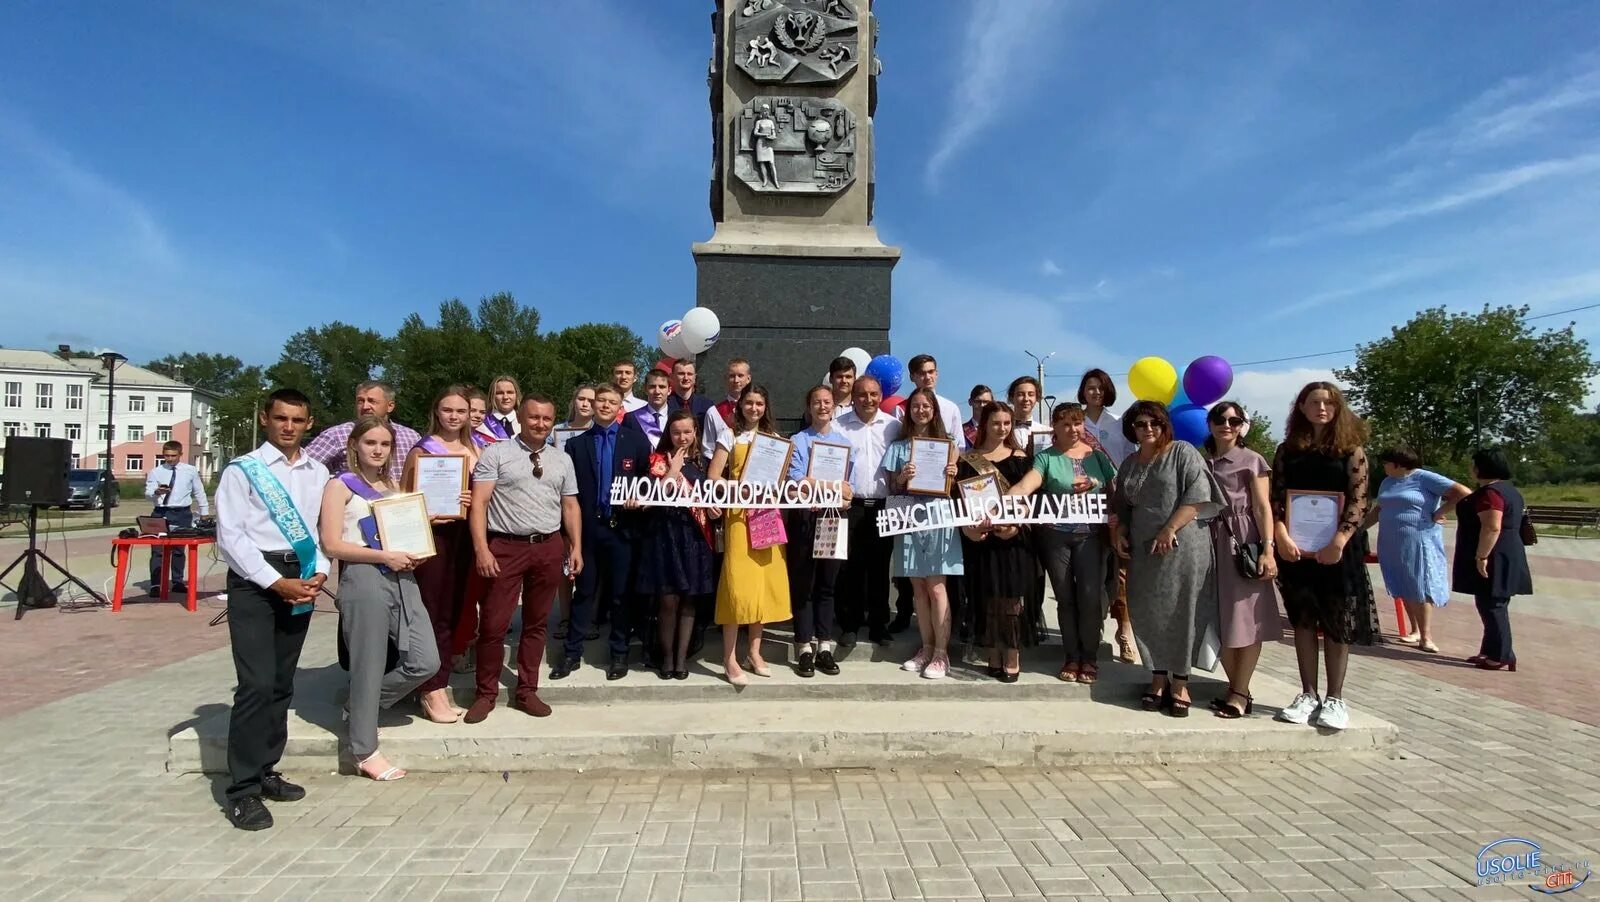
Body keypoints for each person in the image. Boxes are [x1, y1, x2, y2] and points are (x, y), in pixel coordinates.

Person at [214, 388, 330, 831]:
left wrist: (318, 572)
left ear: (308, 423)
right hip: (257, 583)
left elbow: (320, 531)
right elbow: (232, 537)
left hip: (299, 580)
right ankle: (241, 790)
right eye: (281, 418)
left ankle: (265, 769)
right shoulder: (244, 471)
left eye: (297, 420)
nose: (288, 427)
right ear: (266, 418)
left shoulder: (317, 472)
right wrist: (274, 582)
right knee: (256, 684)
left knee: (282, 682)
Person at [317, 417, 432, 782]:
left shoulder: (393, 487)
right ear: (354, 445)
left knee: (425, 659)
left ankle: (361, 704)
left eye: (384, 444)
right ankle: (364, 750)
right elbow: (332, 544)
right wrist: (384, 557)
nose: (377, 450)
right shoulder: (339, 487)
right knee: (368, 664)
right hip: (364, 576)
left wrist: (420, 550)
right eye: (370, 443)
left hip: (402, 575)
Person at [467, 393, 582, 722]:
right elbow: (479, 504)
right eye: (533, 417)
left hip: (548, 546)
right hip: (505, 547)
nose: (541, 424)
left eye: (547, 418)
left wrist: (576, 547)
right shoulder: (497, 453)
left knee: (536, 623)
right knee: (493, 624)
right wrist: (481, 548)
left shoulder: (562, 459)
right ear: (521, 416)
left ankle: (527, 690)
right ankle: (486, 693)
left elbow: (570, 506)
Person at [1270, 382, 1378, 731]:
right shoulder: (1287, 450)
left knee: (1335, 622)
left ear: (1338, 408)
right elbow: (1277, 497)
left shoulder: (1352, 450)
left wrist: (1341, 538)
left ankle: (1335, 698)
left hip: (1338, 550)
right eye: (1314, 402)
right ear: (1301, 407)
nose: (1321, 408)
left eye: (1328, 403)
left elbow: (1360, 501)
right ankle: (1308, 694)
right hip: (1297, 550)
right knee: (1302, 620)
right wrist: (1281, 534)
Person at [1112, 401, 1226, 718]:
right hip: (1145, 553)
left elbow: (1199, 495)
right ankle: (1157, 677)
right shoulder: (1129, 463)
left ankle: (1181, 682)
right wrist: (1121, 531)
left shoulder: (1182, 452)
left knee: (1183, 611)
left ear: (1165, 425)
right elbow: (1123, 506)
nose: (1148, 428)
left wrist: (1170, 528)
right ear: (1131, 428)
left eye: (1155, 423)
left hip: (1183, 546)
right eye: (1140, 423)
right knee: (1149, 612)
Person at [1009, 403, 1117, 684]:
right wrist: (1008, 499)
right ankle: (1071, 656)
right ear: (1054, 427)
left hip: (1092, 537)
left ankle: (1089, 657)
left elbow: (1117, 490)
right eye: (1065, 423)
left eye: (1077, 422)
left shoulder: (1099, 458)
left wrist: (1098, 485)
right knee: (1065, 598)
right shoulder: (1045, 458)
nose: (1072, 429)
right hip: (1055, 537)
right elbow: (1027, 484)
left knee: (1090, 598)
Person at [556, 383, 653, 681]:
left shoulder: (637, 442)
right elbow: (568, 494)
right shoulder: (576, 444)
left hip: (622, 528)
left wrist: (641, 498)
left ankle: (619, 654)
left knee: (620, 595)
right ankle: (572, 653)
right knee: (584, 591)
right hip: (589, 529)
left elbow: (647, 482)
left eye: (612, 401)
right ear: (593, 405)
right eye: (601, 401)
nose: (606, 406)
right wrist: (568, 536)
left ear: (619, 406)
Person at [401, 386, 478, 724]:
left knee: (454, 610)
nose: (454, 416)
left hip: (465, 536)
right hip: (433, 537)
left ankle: (439, 682)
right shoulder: (422, 450)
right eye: (448, 410)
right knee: (432, 612)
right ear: (437, 411)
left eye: (460, 411)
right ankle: (430, 689)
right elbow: (404, 497)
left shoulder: (473, 448)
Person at [709, 384, 791, 685]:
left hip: (766, 515)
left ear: (765, 407)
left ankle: (754, 652)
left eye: (759, 403)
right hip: (739, 516)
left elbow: (782, 481)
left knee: (762, 583)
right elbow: (714, 477)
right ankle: (729, 657)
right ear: (740, 405)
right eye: (749, 403)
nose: (754, 408)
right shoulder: (728, 436)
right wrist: (737, 488)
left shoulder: (775, 440)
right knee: (737, 585)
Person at [1202, 402, 1279, 719]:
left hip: (1242, 542)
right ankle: (1237, 689)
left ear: (1242, 425)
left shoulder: (1252, 460)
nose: (1227, 425)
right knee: (1219, 618)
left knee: (1244, 618)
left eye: (1234, 420)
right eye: (1220, 419)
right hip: (1207, 543)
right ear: (1210, 424)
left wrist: (1268, 549)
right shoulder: (1202, 461)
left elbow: (1263, 507)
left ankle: (1239, 692)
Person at [881, 387, 963, 678]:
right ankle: (926, 648)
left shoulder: (949, 444)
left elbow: (958, 489)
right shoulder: (898, 446)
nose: (920, 410)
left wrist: (953, 475)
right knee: (918, 589)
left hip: (939, 515)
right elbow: (891, 488)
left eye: (926, 406)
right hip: (908, 515)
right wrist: (902, 477)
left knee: (937, 587)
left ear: (934, 410)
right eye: (915, 406)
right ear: (908, 411)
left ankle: (942, 654)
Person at [636, 410, 718, 679]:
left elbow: (708, 496)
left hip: (693, 536)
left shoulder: (703, 464)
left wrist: (713, 508)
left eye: (687, 431)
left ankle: (682, 658)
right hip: (665, 534)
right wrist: (673, 470)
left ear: (695, 432)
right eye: (676, 432)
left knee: (689, 599)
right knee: (668, 600)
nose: (682, 437)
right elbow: (651, 497)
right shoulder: (657, 461)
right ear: (668, 434)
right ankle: (667, 656)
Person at [1365, 447, 1471, 653]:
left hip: (1418, 537)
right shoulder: (1388, 482)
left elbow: (1462, 492)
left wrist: (1438, 512)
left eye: (1386, 462)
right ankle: (1414, 630)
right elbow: (1379, 509)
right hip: (1391, 540)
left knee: (1418, 582)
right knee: (1401, 580)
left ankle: (1426, 635)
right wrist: (1359, 529)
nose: (1383, 466)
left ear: (1398, 463)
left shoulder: (1424, 478)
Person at [956, 401, 1033, 681]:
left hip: (1012, 538)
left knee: (1011, 598)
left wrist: (1015, 524)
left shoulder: (1020, 457)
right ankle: (993, 652)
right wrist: (969, 529)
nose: (1002, 429)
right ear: (984, 424)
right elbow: (960, 502)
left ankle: (1012, 652)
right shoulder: (968, 459)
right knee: (987, 596)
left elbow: (1029, 500)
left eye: (1007, 423)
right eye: (996, 423)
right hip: (981, 539)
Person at [786, 385, 854, 677]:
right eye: (817, 402)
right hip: (805, 518)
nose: (822, 406)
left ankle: (824, 646)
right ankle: (803, 646)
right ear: (808, 406)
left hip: (833, 519)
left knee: (827, 585)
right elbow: (798, 479)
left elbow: (849, 487)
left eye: (827, 402)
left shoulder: (843, 443)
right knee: (804, 585)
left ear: (833, 406)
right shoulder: (797, 440)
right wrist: (832, 486)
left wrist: (841, 491)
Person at [1453, 448, 1533, 672]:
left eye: (1474, 464)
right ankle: (1490, 650)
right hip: (1507, 552)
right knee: (1489, 603)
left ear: (1481, 467)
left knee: (1493, 605)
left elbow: (1492, 526)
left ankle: (1501, 655)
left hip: (1494, 555)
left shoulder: (1491, 493)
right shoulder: (1510, 490)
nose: (1471, 469)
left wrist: (1481, 556)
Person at [835, 375, 900, 647]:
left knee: (880, 567)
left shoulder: (894, 426)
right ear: (853, 396)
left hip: (884, 505)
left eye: (874, 394)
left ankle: (878, 624)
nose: (868, 400)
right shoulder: (839, 427)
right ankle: (849, 625)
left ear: (881, 395)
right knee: (850, 566)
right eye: (862, 394)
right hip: (852, 506)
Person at [1079, 369, 1139, 665]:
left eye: (1100, 388)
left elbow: (1129, 462)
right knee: (1093, 571)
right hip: (1084, 504)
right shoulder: (1074, 423)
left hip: (1116, 502)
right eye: (1090, 388)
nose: (1095, 393)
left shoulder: (1119, 425)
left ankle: (1125, 633)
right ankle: (1094, 627)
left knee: (1122, 573)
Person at [303, 380, 421, 481]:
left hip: (400, 504)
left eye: (372, 401)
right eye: (360, 401)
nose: (365, 406)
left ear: (390, 406)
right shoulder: (336, 435)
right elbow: (302, 468)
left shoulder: (411, 437)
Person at [1007, 375, 1050, 641]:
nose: (1025, 399)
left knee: (1036, 566)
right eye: (1020, 394)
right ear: (1011, 397)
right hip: (1006, 503)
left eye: (1031, 394)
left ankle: (1032, 620)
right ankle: (1007, 623)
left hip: (1037, 505)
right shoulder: (999, 427)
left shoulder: (1046, 431)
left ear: (1037, 398)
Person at [144, 439, 209, 594]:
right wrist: (157, 492)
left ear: (180, 454)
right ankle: (156, 584)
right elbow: (147, 493)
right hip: (161, 512)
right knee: (158, 550)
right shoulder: (156, 471)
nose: (170, 459)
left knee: (179, 550)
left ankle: (177, 581)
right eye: (166, 456)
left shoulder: (190, 470)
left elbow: (199, 491)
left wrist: (204, 512)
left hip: (182, 513)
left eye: (173, 455)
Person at [905, 355, 968, 451]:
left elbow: (959, 445)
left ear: (936, 373)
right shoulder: (902, 407)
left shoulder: (950, 407)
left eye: (931, 372)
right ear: (912, 377)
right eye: (922, 373)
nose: (927, 377)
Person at [703, 358, 753, 463]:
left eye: (740, 376)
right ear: (725, 379)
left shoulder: (756, 411)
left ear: (748, 379)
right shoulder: (713, 412)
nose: (736, 380)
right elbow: (708, 448)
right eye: (732, 376)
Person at [624, 369, 674, 445]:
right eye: (652, 387)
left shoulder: (678, 417)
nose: (657, 391)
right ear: (645, 389)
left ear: (669, 391)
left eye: (662, 387)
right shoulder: (631, 418)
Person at [668, 358, 714, 422]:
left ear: (695, 377)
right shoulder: (665, 404)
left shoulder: (707, 405)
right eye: (681, 374)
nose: (686, 378)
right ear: (672, 377)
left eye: (689, 374)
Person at [485, 375, 521, 440]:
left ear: (516, 395)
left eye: (510, 392)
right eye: (500, 393)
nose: (505, 397)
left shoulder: (524, 422)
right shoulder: (482, 421)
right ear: (492, 396)